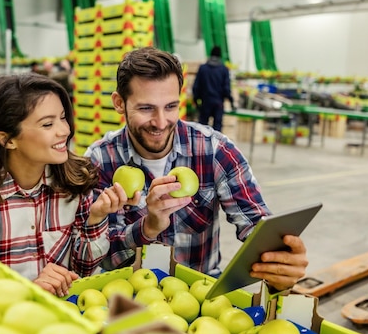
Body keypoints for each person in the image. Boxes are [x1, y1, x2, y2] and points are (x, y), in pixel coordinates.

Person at [85, 47, 308, 292]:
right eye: (146, 108)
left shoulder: (214, 149)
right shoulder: (100, 159)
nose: (161, 122)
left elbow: (255, 223)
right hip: (127, 292)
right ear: (119, 103)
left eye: (170, 106)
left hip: (199, 291)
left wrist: (280, 259)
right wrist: (148, 227)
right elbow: (98, 256)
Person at [0, 73, 130, 297]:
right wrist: (27, 289)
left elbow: (84, 270)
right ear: (7, 139)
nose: (64, 130)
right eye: (48, 124)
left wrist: (96, 218)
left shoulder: (76, 180)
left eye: (63, 118)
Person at [192, 45, 235, 131]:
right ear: (220, 56)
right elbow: (226, 89)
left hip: (205, 102)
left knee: (202, 129)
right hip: (218, 104)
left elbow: (196, 86)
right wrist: (231, 101)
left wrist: (196, 101)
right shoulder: (224, 70)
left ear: (210, 55)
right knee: (217, 130)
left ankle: (201, 144)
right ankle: (215, 144)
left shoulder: (203, 68)